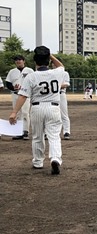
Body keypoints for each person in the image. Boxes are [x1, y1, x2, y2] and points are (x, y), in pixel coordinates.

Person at [8, 47, 64, 175]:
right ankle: (55, 158)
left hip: (37, 108)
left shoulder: (31, 76)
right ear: (48, 61)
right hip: (54, 107)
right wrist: (50, 56)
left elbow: (23, 96)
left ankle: (38, 162)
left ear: (35, 61)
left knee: (37, 137)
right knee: (54, 136)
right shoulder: (57, 72)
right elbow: (61, 65)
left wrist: (14, 112)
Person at [5, 55, 34, 140]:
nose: (18, 61)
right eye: (16, 60)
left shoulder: (29, 70)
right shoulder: (12, 71)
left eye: (20, 60)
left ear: (24, 61)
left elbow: (33, 81)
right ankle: (18, 132)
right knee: (16, 113)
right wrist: (13, 88)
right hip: (15, 94)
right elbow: (8, 83)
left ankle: (25, 131)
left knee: (25, 112)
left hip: (26, 94)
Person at [59, 70, 72, 140]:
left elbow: (67, 84)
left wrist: (56, 86)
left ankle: (66, 132)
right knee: (51, 114)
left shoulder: (64, 73)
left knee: (64, 114)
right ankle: (47, 133)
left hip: (61, 94)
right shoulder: (50, 72)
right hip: (52, 95)